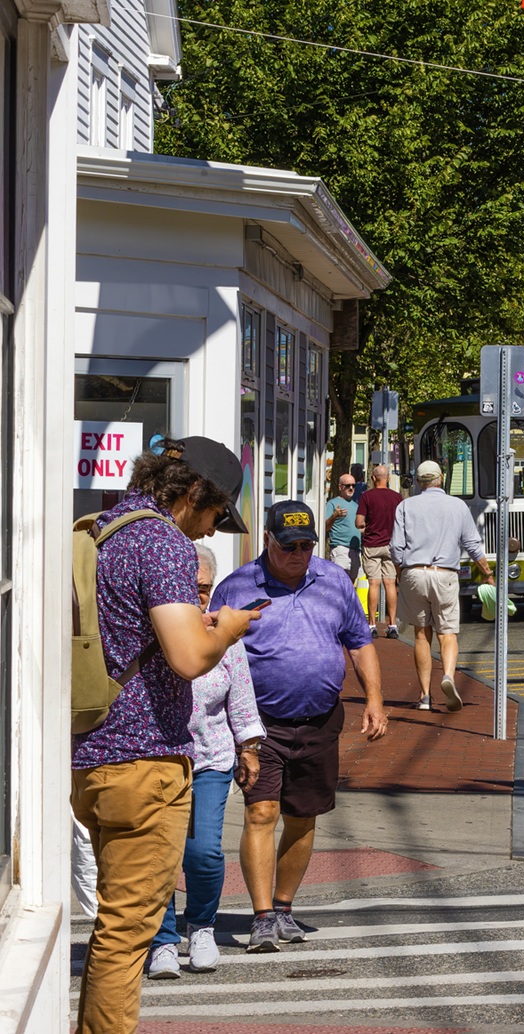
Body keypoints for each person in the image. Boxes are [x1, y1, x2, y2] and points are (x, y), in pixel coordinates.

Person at [72, 438, 262, 1034]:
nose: (209, 534)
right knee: (128, 935)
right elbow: (187, 657)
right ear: (191, 497)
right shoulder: (163, 543)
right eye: (213, 516)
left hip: (91, 753)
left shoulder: (101, 530)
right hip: (144, 761)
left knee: (113, 927)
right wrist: (226, 628)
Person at [213, 500, 386, 954]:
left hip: (320, 720)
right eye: (288, 545)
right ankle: (263, 915)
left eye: (306, 545)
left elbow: (359, 642)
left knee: (303, 818)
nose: (298, 553)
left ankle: (285, 907)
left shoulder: (334, 581)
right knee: (261, 812)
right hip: (259, 723)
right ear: (267, 540)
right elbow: (216, 654)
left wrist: (374, 700)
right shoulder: (236, 587)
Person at [147, 544, 266, 979]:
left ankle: (200, 926)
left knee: (202, 853)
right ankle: (160, 941)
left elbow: (241, 694)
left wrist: (249, 747)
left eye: (203, 589)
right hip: (158, 755)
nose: (197, 598)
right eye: (188, 588)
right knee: (159, 853)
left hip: (210, 758)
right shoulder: (152, 628)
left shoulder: (223, 631)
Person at [391, 459, 494, 712]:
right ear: (441, 479)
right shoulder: (457, 506)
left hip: (414, 572)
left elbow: (395, 547)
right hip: (445, 574)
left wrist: (402, 571)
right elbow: (472, 545)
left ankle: (425, 696)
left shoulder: (406, 506)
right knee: (447, 633)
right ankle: (447, 675)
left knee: (420, 634)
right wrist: (487, 573)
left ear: (418, 482)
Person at [355, 465, 403, 638]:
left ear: (374, 478)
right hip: (391, 545)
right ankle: (392, 625)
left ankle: (372, 625)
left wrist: (368, 525)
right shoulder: (397, 498)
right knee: (390, 584)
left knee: (373, 584)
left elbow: (359, 522)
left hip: (372, 544)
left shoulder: (367, 496)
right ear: (388, 478)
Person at [324, 473, 361, 584]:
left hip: (356, 551)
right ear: (340, 487)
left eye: (353, 486)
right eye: (347, 485)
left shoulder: (356, 506)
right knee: (339, 584)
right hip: (340, 550)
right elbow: (324, 527)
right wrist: (334, 516)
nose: (351, 488)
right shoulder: (332, 504)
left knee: (352, 587)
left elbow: (359, 528)